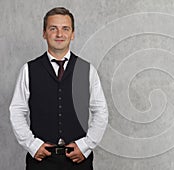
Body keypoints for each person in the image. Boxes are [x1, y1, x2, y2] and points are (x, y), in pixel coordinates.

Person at [9, 7, 108, 170]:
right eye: (53, 28)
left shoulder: (87, 70)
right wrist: (32, 145)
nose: (59, 34)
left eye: (65, 29)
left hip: (79, 160)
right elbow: (17, 110)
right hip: (40, 161)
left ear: (73, 34)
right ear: (44, 33)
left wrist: (86, 145)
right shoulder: (28, 70)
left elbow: (101, 111)